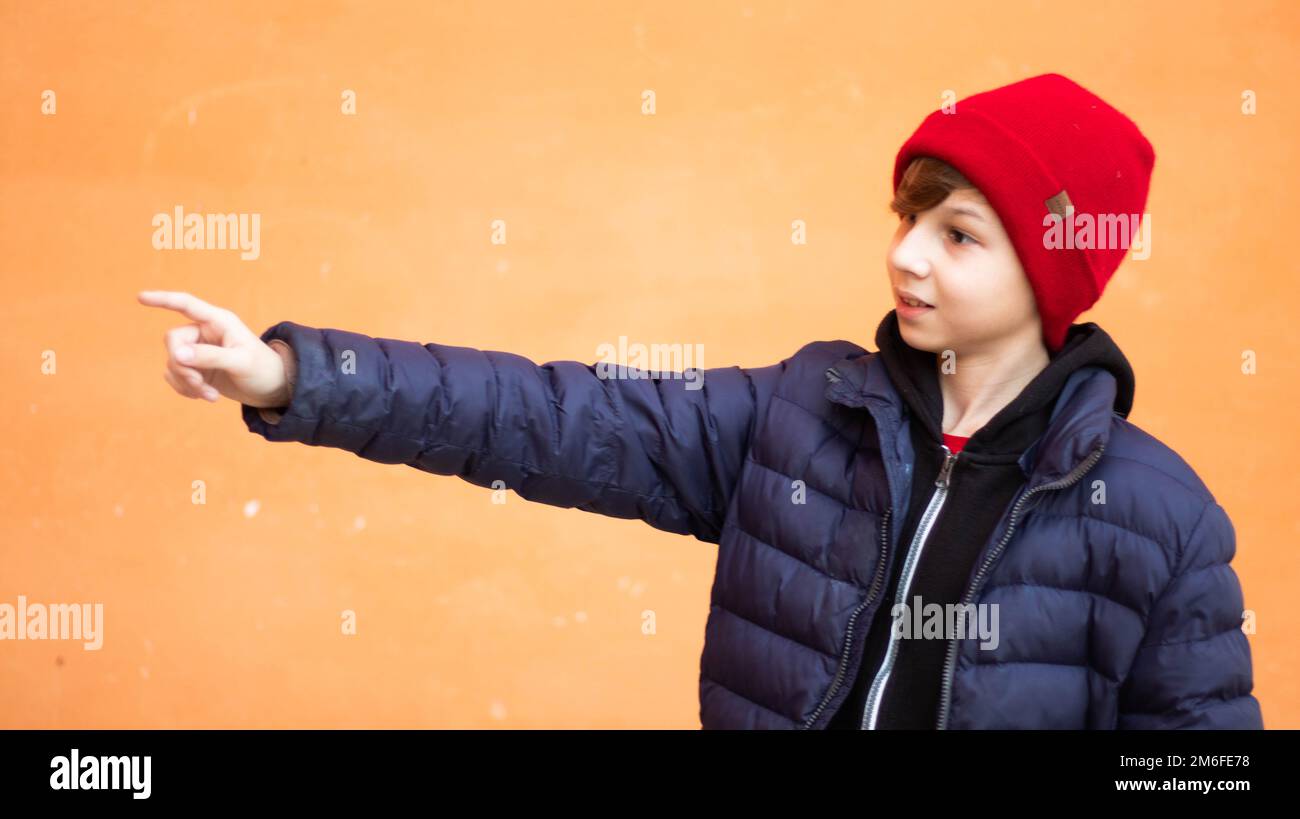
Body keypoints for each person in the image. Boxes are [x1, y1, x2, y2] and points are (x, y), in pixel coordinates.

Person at [138, 73, 1263, 730]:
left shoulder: (1158, 520)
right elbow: (545, 417)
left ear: (1053, 273)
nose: (906, 259)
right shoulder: (799, 415)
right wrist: (293, 375)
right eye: (906, 218)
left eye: (957, 235)